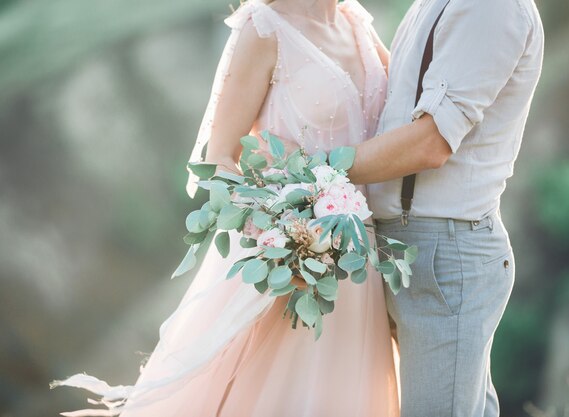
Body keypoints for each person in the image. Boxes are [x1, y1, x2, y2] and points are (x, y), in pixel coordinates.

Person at [51, 0, 401, 416]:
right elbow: (218, 158)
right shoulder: (263, 29)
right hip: (288, 267)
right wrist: (283, 235)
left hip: (358, 268)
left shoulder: (357, 23)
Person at [347, 0, 545, 415]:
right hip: (409, 245)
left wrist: (319, 172)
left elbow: (430, 142)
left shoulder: (491, 8)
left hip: (443, 256)